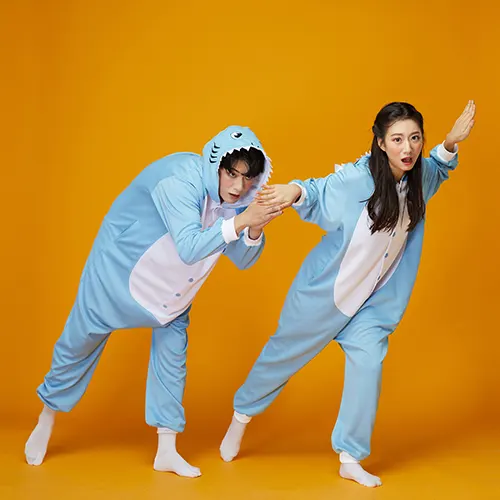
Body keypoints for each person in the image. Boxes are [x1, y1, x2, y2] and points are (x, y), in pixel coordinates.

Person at [219, 101, 476, 487]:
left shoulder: (418, 176)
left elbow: (437, 168)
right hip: (324, 296)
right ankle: (241, 417)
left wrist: (451, 143)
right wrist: (293, 191)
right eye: (397, 139)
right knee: (280, 358)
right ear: (380, 142)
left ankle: (350, 457)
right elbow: (318, 191)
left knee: (368, 365)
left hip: (373, 304)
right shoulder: (358, 180)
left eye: (415, 138)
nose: (407, 148)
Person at [25, 125, 285, 478]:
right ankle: (46, 418)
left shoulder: (236, 201)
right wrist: (241, 220)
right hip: (120, 272)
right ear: (216, 164)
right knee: (79, 342)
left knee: (172, 360)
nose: (239, 186)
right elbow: (190, 246)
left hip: (172, 286)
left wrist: (255, 226)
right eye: (232, 173)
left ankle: (167, 450)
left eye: (248, 178)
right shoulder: (178, 179)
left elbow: (243, 259)